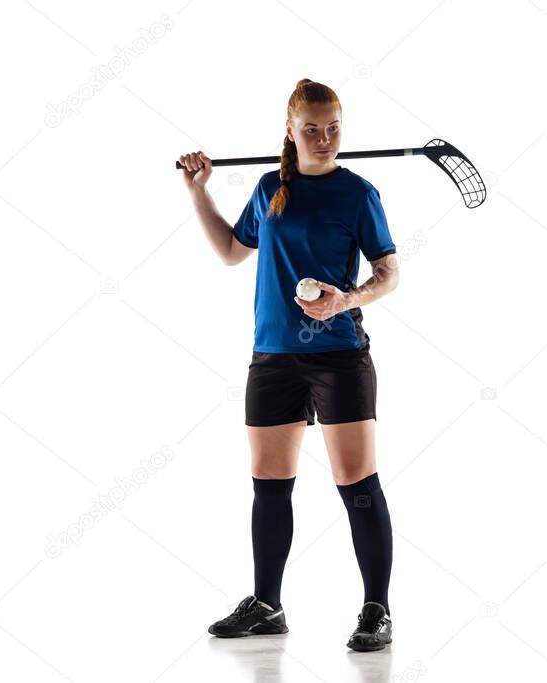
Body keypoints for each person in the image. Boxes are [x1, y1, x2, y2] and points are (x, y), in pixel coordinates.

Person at [178, 78, 399, 652]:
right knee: (269, 484)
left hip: (339, 356)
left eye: (333, 129)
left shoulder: (358, 193)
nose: (324, 140)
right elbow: (232, 252)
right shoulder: (268, 187)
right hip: (273, 356)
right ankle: (267, 606)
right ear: (290, 130)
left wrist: (344, 299)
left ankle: (377, 610)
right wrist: (200, 193)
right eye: (311, 130)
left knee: (357, 483)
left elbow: (389, 273)